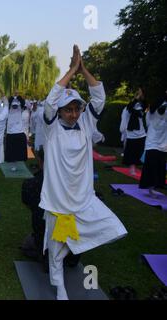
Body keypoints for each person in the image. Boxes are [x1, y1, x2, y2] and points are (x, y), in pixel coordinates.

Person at [40, 45, 127, 300]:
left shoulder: (86, 122)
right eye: (68, 109)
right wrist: (70, 71)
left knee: (113, 228)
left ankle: (72, 246)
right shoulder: (51, 127)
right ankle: (60, 287)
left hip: (84, 198)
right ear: (60, 111)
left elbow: (99, 98)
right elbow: (50, 100)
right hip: (57, 201)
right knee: (55, 250)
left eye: (77, 108)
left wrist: (84, 69)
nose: (74, 113)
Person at [139, 90, 167, 196]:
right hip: (153, 142)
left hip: (163, 143)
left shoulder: (156, 110)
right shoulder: (152, 111)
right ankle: (150, 189)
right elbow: (148, 122)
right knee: (152, 166)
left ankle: (154, 187)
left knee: (159, 166)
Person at [120, 88, 147, 175]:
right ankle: (132, 168)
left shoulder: (141, 108)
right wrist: (123, 132)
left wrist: (141, 96)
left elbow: (145, 105)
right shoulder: (128, 109)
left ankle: (142, 166)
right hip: (131, 134)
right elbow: (125, 118)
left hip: (141, 133)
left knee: (141, 151)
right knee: (131, 152)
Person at [5, 92, 27, 163]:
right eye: (13, 106)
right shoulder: (8, 109)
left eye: (16, 106)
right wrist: (12, 97)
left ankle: (19, 160)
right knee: (11, 151)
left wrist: (17, 96)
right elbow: (8, 101)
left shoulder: (20, 109)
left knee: (19, 151)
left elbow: (23, 102)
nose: (15, 107)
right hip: (10, 133)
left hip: (19, 132)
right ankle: (12, 161)